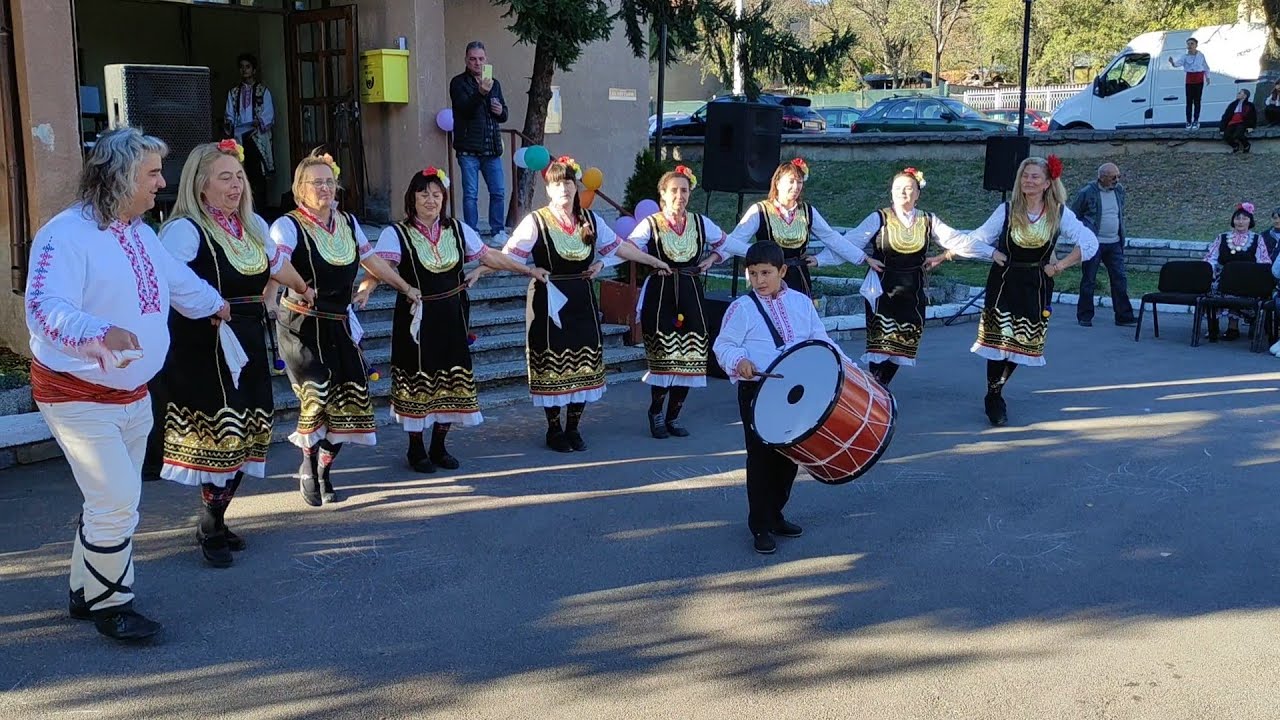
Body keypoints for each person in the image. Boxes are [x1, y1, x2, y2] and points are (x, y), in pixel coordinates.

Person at [25, 127, 230, 641]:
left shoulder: (139, 231)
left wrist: (215, 304)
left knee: (110, 499)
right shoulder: (65, 235)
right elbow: (44, 309)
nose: (163, 182)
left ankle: (84, 589)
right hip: (77, 394)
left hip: (134, 394)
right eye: (153, 173)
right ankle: (111, 606)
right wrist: (98, 332)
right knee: (116, 499)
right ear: (118, 177)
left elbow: (176, 281)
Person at [155, 140, 315, 568]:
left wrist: (302, 287)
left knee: (250, 430)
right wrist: (208, 304)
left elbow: (276, 266)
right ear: (200, 185)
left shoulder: (252, 226)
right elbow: (167, 282)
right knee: (222, 439)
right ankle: (210, 523)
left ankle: (217, 517)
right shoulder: (185, 230)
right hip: (204, 346)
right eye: (225, 177)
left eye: (239, 177)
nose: (236, 185)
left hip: (246, 339)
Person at [356, 166, 544, 473]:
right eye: (423, 194)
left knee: (450, 381)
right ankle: (416, 450)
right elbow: (378, 269)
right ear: (412, 198)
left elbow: (489, 256)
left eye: (436, 194)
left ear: (444, 198)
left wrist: (528, 270)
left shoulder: (458, 229)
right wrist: (365, 291)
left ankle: (439, 446)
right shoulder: (396, 233)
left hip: (452, 318)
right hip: (416, 321)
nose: (430, 200)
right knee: (418, 383)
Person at [270, 150, 422, 506]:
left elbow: (372, 262)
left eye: (329, 181)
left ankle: (325, 465)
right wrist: (269, 299)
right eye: (316, 182)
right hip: (301, 326)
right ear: (299, 189)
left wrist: (405, 287)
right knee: (316, 398)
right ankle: (307, 464)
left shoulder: (349, 223)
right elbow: (274, 262)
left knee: (350, 400)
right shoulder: (288, 225)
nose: (324, 188)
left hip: (339, 324)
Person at [713, 241, 844, 555]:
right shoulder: (742, 308)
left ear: (782, 271)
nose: (760, 280)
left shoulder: (801, 302)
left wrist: (848, 369)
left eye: (766, 273)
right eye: (754, 273)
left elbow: (820, 340)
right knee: (761, 459)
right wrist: (739, 361)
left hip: (798, 392)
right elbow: (724, 345)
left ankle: (775, 514)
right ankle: (759, 524)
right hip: (757, 391)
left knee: (790, 457)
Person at [499, 156, 635, 452]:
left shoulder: (590, 219)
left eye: (569, 183)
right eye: (557, 183)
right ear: (548, 189)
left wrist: (604, 262)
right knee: (553, 363)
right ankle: (554, 429)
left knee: (584, 362)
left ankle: (574, 427)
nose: (564, 189)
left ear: (576, 186)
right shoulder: (535, 221)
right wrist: (530, 270)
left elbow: (619, 247)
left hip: (582, 297)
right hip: (549, 298)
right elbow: (509, 256)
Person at [965, 156, 1098, 427]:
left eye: (1035, 176)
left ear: (1048, 182)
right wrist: (991, 252)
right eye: (1025, 175)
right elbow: (975, 238)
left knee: (1021, 344)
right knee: (999, 343)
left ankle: (997, 389)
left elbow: (1089, 242)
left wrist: (1060, 265)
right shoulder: (1006, 210)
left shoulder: (1059, 213)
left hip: (1037, 284)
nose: (1029, 180)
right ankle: (993, 395)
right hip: (1004, 281)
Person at [836, 168, 991, 386]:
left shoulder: (928, 220)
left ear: (918, 193)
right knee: (880, 343)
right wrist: (863, 259)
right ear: (891, 192)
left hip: (912, 289)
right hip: (883, 288)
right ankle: (878, 390)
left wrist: (986, 252)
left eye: (909, 189)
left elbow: (955, 239)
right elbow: (848, 242)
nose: (903, 193)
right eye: (898, 188)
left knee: (904, 343)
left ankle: (879, 387)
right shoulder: (879, 218)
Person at [621, 165, 731, 438]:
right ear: (663, 195)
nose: (680, 196)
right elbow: (630, 248)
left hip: (691, 291)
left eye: (684, 190)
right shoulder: (651, 223)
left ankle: (674, 416)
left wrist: (710, 260)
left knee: (691, 356)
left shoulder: (700, 222)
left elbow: (726, 244)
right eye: (674, 191)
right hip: (661, 293)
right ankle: (656, 413)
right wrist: (653, 261)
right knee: (665, 356)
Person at [723, 158, 860, 297]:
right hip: (769, 277)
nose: (796, 187)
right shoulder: (760, 210)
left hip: (799, 278)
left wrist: (863, 258)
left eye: (799, 182)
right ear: (777, 183)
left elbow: (831, 237)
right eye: (791, 181)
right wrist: (716, 257)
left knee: (798, 316)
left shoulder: (807, 211)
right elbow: (735, 239)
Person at [449, 40, 509, 241]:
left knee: (498, 191)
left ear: (486, 60)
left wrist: (501, 112)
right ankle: (471, 233)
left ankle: (498, 231)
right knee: (470, 195)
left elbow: (503, 113)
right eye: (473, 59)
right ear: (466, 60)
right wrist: (481, 92)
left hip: (491, 148)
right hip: (468, 149)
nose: (477, 63)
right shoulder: (458, 83)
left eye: (481, 59)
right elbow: (465, 108)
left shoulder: (495, 83)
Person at [1069, 163, 1136, 327]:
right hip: (1093, 244)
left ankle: (1123, 316)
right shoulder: (1086, 193)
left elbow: (1118, 213)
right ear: (1102, 177)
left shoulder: (1119, 191)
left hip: (1114, 243)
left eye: (1118, 176)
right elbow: (1073, 215)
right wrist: (1082, 236)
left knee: (1120, 278)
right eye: (1113, 177)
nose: (1117, 180)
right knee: (1089, 280)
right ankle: (1085, 316)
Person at [1204, 202, 1271, 341]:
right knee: (1213, 288)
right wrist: (1209, 272)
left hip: (1247, 278)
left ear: (1250, 221)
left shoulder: (1257, 239)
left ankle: (1233, 328)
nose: (1240, 222)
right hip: (1222, 277)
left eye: (1244, 219)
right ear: (1233, 221)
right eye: (1237, 218)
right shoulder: (1222, 237)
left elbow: (1263, 261)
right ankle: (1213, 327)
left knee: (1240, 289)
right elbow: (1210, 257)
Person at [223, 53, 275, 210]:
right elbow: (229, 115)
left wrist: (257, 125)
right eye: (242, 67)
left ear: (254, 70)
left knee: (259, 175)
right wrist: (231, 124)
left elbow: (268, 114)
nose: (244, 70)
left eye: (247, 67)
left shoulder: (263, 91)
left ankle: (261, 210)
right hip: (240, 138)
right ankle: (244, 210)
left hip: (257, 138)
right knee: (241, 173)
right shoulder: (233, 93)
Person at [1169, 38, 1210, 130]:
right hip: (1189, 79)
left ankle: (1196, 120)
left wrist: (1207, 77)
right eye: (1188, 44)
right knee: (1189, 101)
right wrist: (1172, 63)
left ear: (1196, 45)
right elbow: (1177, 64)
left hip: (1199, 79)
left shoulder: (1200, 55)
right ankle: (1188, 121)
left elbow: (1206, 67)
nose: (1190, 46)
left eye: (1192, 44)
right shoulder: (1185, 56)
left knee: (1197, 101)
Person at [1219, 89, 1258, 153]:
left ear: (1245, 96)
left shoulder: (1249, 105)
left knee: (1238, 134)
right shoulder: (1233, 104)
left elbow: (1252, 117)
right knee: (1226, 135)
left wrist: (1251, 126)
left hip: (1242, 122)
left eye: (1240, 93)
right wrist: (1222, 128)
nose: (1238, 94)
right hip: (1232, 122)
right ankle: (1235, 146)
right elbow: (1226, 116)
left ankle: (1246, 145)